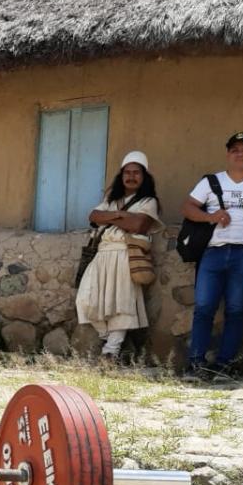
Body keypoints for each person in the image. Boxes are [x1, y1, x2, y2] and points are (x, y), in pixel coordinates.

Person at [182, 132, 243, 378]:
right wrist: (210, 217)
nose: (240, 154)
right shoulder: (211, 182)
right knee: (203, 307)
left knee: (236, 310)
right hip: (212, 252)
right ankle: (196, 363)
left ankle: (224, 364)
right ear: (228, 154)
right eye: (235, 150)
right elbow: (188, 207)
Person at [75, 151, 163, 360]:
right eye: (127, 172)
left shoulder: (149, 201)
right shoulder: (111, 199)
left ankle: (111, 351)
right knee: (84, 299)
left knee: (121, 304)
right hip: (102, 254)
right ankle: (107, 336)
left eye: (136, 173)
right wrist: (119, 215)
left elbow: (138, 224)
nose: (131, 176)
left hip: (125, 254)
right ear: (121, 175)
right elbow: (94, 216)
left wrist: (110, 218)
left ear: (144, 177)